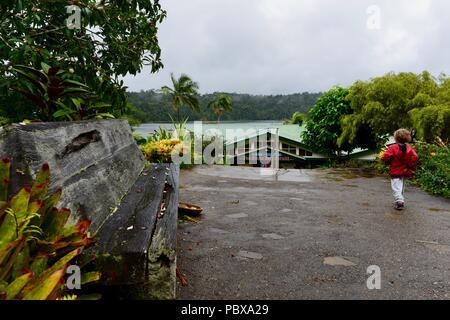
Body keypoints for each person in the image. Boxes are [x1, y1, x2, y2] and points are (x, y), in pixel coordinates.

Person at [381, 129, 419, 210]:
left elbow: (385, 157)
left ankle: (399, 201)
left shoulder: (392, 147)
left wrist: (387, 161)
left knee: (395, 186)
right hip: (405, 170)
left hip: (395, 170)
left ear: (396, 138)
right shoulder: (409, 148)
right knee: (401, 186)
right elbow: (415, 157)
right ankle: (400, 199)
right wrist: (410, 165)